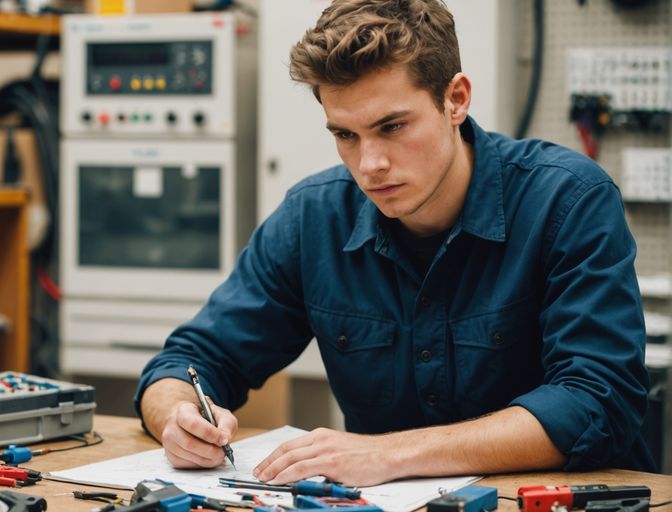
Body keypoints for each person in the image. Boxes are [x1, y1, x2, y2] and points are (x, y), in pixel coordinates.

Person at [134, 0, 654, 487]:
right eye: (345, 135)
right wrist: (177, 415)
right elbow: (192, 360)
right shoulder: (313, 216)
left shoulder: (568, 201)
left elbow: (597, 402)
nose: (370, 165)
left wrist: (387, 454)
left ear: (456, 99)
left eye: (393, 126)